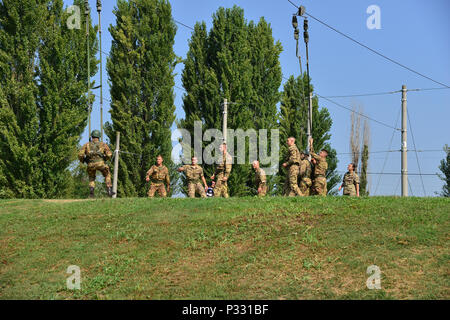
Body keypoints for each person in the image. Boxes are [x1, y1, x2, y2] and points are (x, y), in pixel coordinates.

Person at [78, 130, 114, 198]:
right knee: (107, 174)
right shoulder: (103, 144)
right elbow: (109, 154)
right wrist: (105, 159)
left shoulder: (86, 145)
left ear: (92, 136)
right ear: (99, 137)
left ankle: (91, 193)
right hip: (101, 163)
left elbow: (80, 154)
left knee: (91, 178)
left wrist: (84, 160)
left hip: (90, 164)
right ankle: (109, 190)